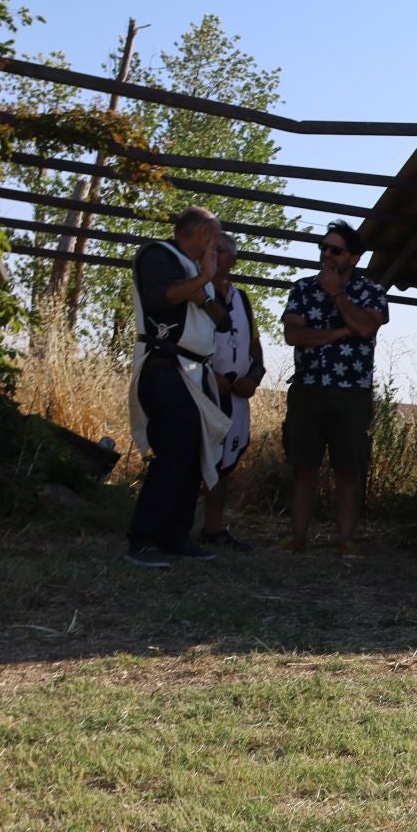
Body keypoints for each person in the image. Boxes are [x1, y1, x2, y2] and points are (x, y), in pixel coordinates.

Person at [123, 206, 234, 568]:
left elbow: (221, 320)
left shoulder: (196, 275)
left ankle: (174, 536)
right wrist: (201, 280)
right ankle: (143, 539)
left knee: (193, 454)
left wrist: (200, 292)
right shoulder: (158, 255)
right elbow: (161, 297)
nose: (218, 248)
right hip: (165, 365)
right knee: (174, 450)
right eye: (215, 239)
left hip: (194, 372)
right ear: (203, 234)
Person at [280, 219, 388, 555]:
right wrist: (341, 333)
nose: (326, 253)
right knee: (303, 465)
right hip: (308, 388)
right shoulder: (301, 289)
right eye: (323, 247)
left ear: (353, 257)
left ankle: (345, 542)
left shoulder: (371, 291)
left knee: (348, 467)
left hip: (351, 392)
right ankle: (298, 538)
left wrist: (337, 295)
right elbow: (294, 336)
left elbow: (366, 328)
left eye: (335, 249)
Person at [199, 231, 264, 551]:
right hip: (201, 391)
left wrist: (253, 376)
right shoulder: (197, 293)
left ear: (233, 259)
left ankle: (213, 528)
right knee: (193, 459)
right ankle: (176, 525)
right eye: (210, 251)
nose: (214, 256)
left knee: (223, 465)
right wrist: (207, 377)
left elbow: (255, 347)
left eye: (221, 251)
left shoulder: (242, 300)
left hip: (235, 395)